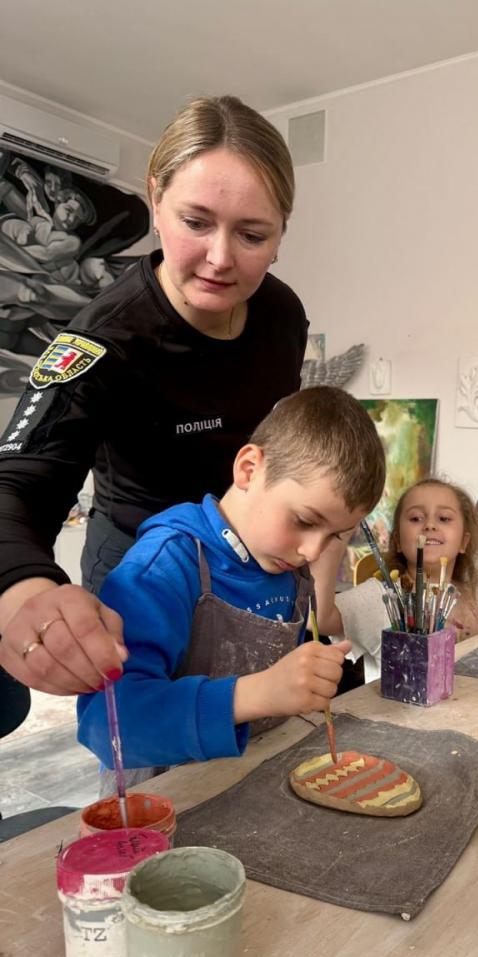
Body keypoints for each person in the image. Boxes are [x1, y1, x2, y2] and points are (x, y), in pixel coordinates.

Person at [0, 95, 308, 702]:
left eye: (252, 235)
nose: (220, 259)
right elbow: (17, 483)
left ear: (281, 233)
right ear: (156, 201)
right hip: (139, 569)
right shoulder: (103, 338)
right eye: (196, 222)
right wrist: (24, 593)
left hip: (240, 562)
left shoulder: (281, 314)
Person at [76, 387, 385, 786]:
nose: (312, 551)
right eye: (305, 521)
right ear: (249, 469)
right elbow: (106, 726)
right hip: (161, 800)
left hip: (254, 781)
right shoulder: (164, 567)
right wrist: (254, 694)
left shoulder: (290, 567)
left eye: (335, 536)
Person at [313, 478, 478, 682]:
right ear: (397, 541)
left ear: (464, 542)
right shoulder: (381, 596)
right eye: (416, 518)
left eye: (444, 518)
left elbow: (475, 651)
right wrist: (337, 537)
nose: (430, 525)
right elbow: (320, 618)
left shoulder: (461, 593)